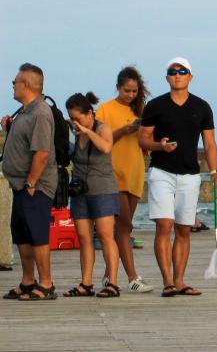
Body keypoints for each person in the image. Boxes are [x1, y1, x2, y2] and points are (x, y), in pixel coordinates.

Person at [139, 57, 217, 298]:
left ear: (190, 77)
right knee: (164, 225)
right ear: (167, 77)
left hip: (190, 175)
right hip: (161, 172)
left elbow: (209, 143)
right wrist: (158, 145)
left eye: (182, 71)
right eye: (172, 71)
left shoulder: (202, 107)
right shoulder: (155, 106)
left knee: (183, 229)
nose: (177, 75)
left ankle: (179, 281)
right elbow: (142, 139)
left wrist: (215, 171)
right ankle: (167, 281)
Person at [95, 66, 155, 292]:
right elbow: (101, 140)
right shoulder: (105, 109)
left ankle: (109, 274)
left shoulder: (141, 110)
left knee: (125, 229)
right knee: (124, 225)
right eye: (126, 90)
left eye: (134, 91)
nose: (130, 95)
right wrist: (125, 129)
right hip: (112, 173)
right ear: (118, 87)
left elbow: (146, 141)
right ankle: (132, 278)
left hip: (135, 172)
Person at [1, 64, 58, 301]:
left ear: (26, 84)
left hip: (35, 186)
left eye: (15, 82)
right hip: (20, 185)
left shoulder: (41, 113)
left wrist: (31, 183)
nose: (13, 85)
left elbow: (42, 153)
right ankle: (28, 281)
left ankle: (46, 284)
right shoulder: (25, 112)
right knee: (22, 235)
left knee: (37, 234)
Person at [62, 93, 121, 298]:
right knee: (84, 237)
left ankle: (112, 282)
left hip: (103, 189)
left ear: (89, 114)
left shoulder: (102, 128)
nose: (74, 122)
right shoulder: (73, 131)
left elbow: (106, 147)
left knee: (105, 236)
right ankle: (86, 283)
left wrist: (87, 130)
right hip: (80, 191)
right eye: (71, 118)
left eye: (77, 118)